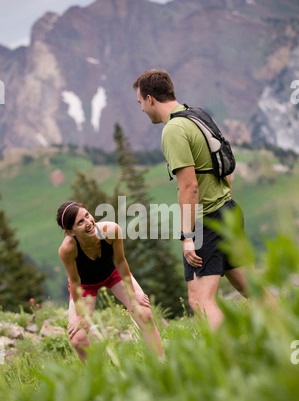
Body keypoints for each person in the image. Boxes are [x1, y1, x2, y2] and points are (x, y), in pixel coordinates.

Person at [132, 69, 251, 329]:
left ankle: (228, 360)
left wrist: (188, 236)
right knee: (248, 285)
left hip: (206, 220)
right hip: (228, 211)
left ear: (150, 99)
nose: (141, 108)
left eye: (140, 102)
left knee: (199, 298)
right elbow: (225, 164)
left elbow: (189, 186)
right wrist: (224, 203)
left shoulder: (173, 130)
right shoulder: (198, 115)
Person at [56, 201, 164, 361]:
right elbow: (74, 280)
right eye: (80, 222)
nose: (88, 223)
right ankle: (98, 380)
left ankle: (161, 363)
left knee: (144, 314)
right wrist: (80, 315)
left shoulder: (111, 231)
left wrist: (133, 293)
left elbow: (120, 262)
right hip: (85, 285)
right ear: (70, 232)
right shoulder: (67, 249)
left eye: (87, 215)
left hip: (113, 274)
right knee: (78, 339)